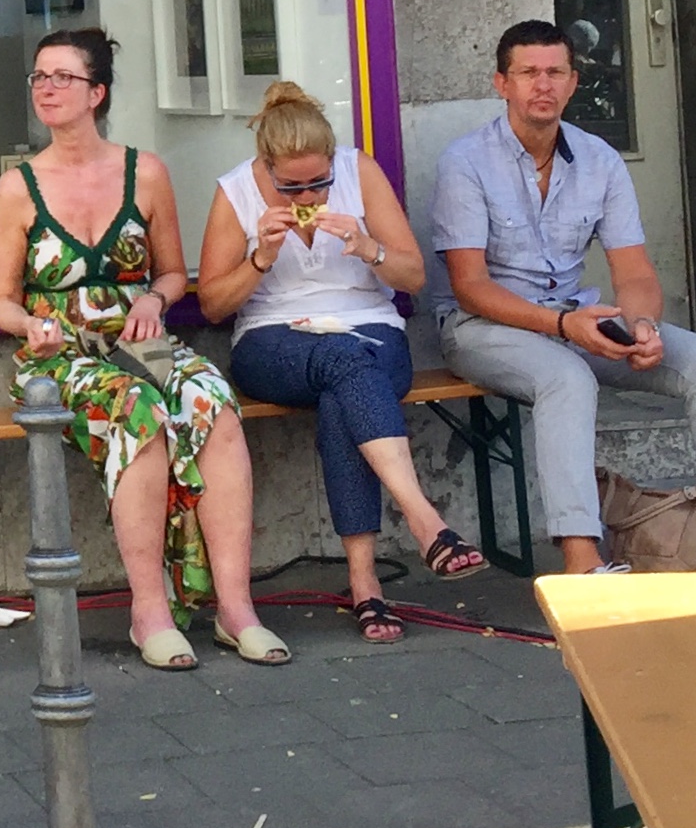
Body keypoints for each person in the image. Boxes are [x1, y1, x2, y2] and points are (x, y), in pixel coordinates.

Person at [430, 20, 696, 577]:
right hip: (484, 328)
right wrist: (561, 325)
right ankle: (583, 564)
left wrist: (643, 325)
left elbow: (635, 271)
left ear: (574, 82)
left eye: (555, 72)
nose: (542, 85)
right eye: (528, 73)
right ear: (502, 83)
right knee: (567, 378)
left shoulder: (599, 160)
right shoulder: (466, 161)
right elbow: (470, 287)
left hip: (578, 320)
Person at [0, 28, 285, 670]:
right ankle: (149, 610)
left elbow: (173, 273)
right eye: (39, 77)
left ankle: (237, 609)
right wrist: (29, 325)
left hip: (139, 341)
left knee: (212, 403)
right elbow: (0, 300)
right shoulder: (18, 187)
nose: (46, 88)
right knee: (137, 412)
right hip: (60, 357)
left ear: (96, 93)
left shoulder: (144, 172)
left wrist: (152, 300)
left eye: (62, 77)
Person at [197, 81, 487, 643]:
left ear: (333, 162)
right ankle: (424, 520)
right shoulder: (236, 191)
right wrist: (260, 258)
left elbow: (414, 277)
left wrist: (367, 247)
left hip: (371, 332)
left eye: (319, 182)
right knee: (344, 362)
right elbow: (212, 304)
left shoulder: (361, 172)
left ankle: (365, 583)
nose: (307, 195)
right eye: (291, 186)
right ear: (267, 166)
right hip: (274, 340)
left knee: (344, 385)